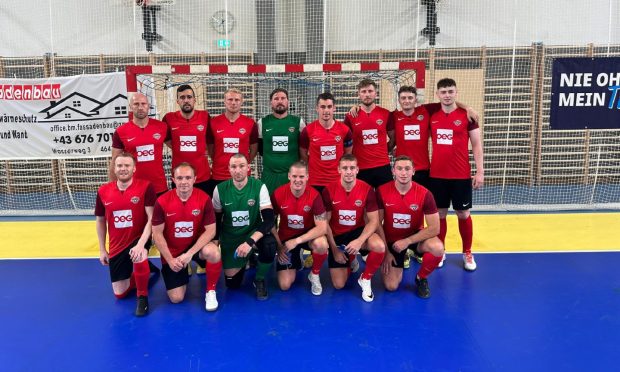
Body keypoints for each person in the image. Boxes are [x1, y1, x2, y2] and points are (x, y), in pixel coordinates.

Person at [429, 78, 484, 271]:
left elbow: (477, 145)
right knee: (440, 214)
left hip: (461, 175)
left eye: (450, 91)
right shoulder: (431, 114)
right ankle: (440, 250)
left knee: (463, 213)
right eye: (443, 92)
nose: (447, 95)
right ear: (438, 94)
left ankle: (467, 252)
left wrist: (480, 172)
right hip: (436, 175)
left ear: (456, 92)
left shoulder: (468, 116)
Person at [151, 163, 222, 311]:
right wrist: (170, 260)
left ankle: (210, 291)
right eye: (180, 178)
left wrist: (189, 254)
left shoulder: (204, 198)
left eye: (188, 177)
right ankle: (181, 273)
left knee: (214, 252)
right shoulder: (162, 201)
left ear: (195, 179)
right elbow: (156, 234)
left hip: (194, 247)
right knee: (176, 298)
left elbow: (211, 231)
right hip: (173, 252)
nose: (184, 182)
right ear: (173, 179)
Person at [95, 152, 157, 316]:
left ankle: (142, 297)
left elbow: (151, 219)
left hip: (139, 238)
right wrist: (102, 249)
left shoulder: (145, 187)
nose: (123, 169)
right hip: (116, 245)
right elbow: (100, 221)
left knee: (138, 254)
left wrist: (141, 244)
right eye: (120, 165)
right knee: (120, 293)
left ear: (134, 168)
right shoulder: (103, 191)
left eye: (127, 165)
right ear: (114, 169)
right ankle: (142, 270)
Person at [377, 155, 444, 298]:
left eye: (407, 169)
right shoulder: (382, 191)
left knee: (438, 248)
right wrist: (386, 253)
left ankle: (421, 277)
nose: (403, 173)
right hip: (392, 242)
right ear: (393, 171)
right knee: (391, 286)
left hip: (414, 238)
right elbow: (376, 224)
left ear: (413, 171)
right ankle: (398, 259)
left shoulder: (425, 194)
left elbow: (435, 228)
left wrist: (407, 241)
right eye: (399, 169)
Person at [212, 153, 276, 300]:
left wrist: (249, 242)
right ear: (229, 169)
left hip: (251, 235)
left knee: (269, 245)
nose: (238, 170)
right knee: (232, 284)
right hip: (230, 238)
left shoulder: (259, 187)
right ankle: (248, 258)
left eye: (241, 166)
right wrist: (215, 244)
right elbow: (216, 220)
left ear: (248, 168)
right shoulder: (219, 190)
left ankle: (259, 278)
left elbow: (268, 221)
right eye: (234, 166)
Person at [322, 154, 385, 302]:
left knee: (379, 246)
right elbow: (325, 224)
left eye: (352, 168)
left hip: (358, 233)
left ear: (357, 170)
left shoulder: (367, 189)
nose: (348, 171)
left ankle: (365, 278)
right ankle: (350, 259)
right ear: (339, 170)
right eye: (345, 168)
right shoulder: (328, 190)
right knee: (338, 284)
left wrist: (359, 241)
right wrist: (334, 249)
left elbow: (374, 221)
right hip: (337, 236)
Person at [272, 161, 329, 295]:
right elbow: (270, 223)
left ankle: (314, 275)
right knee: (285, 285)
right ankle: (297, 258)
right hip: (286, 239)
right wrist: (279, 246)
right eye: (295, 176)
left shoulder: (315, 195)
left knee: (321, 244)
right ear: (289, 176)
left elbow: (322, 228)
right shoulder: (278, 194)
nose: (298, 180)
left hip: (307, 236)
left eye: (301, 177)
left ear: (307, 177)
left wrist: (297, 241)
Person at [111, 93, 168, 195]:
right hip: (133, 188)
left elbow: (176, 147)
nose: (140, 107)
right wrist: (114, 189)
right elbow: (114, 161)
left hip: (159, 187)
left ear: (148, 106)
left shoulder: (162, 127)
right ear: (130, 107)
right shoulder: (120, 132)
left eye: (143, 104)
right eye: (136, 104)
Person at [206, 88, 259, 196]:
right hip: (219, 175)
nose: (233, 103)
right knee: (219, 210)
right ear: (224, 101)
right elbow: (211, 149)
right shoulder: (213, 123)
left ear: (241, 102)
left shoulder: (250, 123)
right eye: (230, 99)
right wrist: (220, 160)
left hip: (242, 176)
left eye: (237, 100)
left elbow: (253, 149)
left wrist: (243, 163)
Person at [343, 79, 394, 188]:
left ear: (376, 93)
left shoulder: (386, 114)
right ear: (359, 94)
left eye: (370, 91)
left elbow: (393, 138)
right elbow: (345, 142)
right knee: (362, 202)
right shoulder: (350, 116)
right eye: (364, 91)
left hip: (382, 167)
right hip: (361, 168)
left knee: (385, 202)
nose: (367, 94)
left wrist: (385, 150)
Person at [299, 92, 353, 193]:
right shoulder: (307, 130)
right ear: (317, 108)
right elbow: (303, 153)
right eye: (322, 107)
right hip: (315, 182)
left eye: (329, 106)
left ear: (334, 108)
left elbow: (347, 154)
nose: (326, 110)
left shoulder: (345, 130)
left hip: (337, 181)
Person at [162, 84, 212, 194]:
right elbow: (166, 139)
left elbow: (210, 141)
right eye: (182, 97)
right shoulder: (168, 118)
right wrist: (178, 147)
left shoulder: (204, 116)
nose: (186, 100)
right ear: (177, 101)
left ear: (194, 100)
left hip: (202, 177)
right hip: (180, 177)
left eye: (189, 97)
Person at [258, 88, 306, 195]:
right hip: (269, 176)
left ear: (288, 101)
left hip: (292, 176)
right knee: (269, 208)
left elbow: (304, 148)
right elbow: (260, 149)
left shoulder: (299, 123)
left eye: (283, 98)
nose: (280, 101)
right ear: (271, 103)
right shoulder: (262, 123)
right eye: (276, 99)